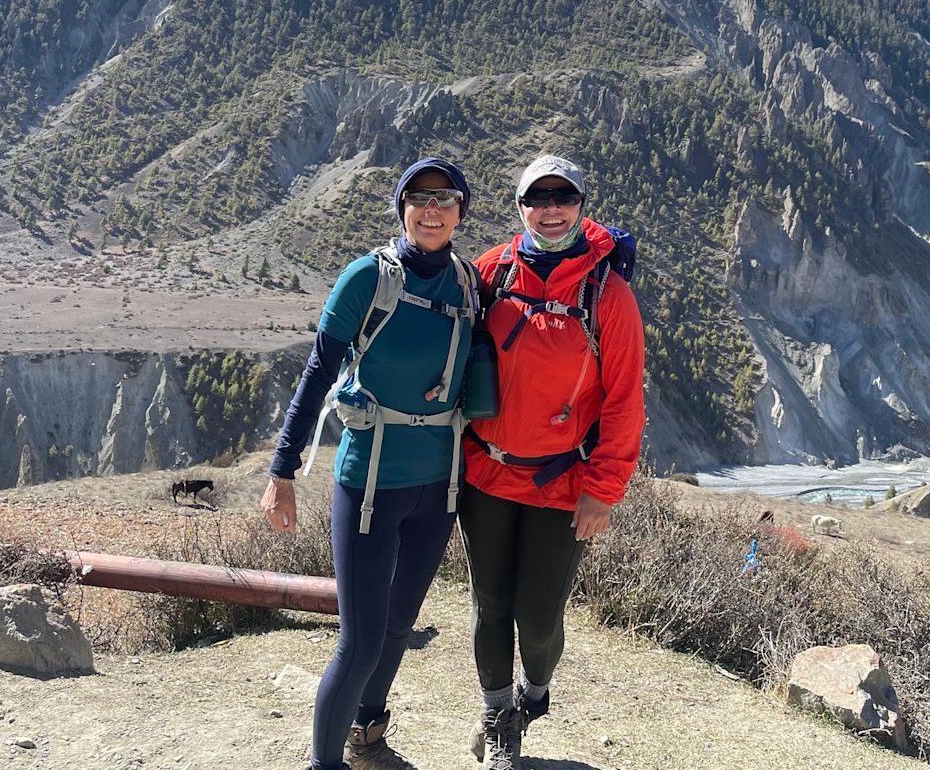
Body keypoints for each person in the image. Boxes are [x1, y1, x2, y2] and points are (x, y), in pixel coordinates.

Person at [260, 157, 479, 770]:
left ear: (462, 210)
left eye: (444, 198)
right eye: (418, 198)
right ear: (401, 209)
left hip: (439, 488)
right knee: (358, 645)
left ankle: (366, 728)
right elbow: (317, 374)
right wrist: (282, 471)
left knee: (400, 625)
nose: (431, 209)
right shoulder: (367, 278)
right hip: (371, 484)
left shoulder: (468, 284)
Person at [460, 155, 645, 770]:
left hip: (563, 482)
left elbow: (624, 399)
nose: (551, 208)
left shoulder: (607, 293)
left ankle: (533, 692)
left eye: (563, 196)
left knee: (539, 617)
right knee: (491, 603)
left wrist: (605, 488)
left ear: (581, 204)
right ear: (520, 208)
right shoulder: (489, 273)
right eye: (538, 198)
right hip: (486, 472)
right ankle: (497, 717)